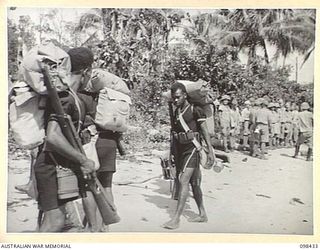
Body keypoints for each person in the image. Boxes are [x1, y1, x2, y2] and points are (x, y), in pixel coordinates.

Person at [33, 47, 96, 232]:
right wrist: (83, 159)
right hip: (50, 166)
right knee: (55, 223)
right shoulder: (65, 97)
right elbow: (52, 137)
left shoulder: (73, 97)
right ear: (86, 71)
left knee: (58, 223)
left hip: (59, 166)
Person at [162, 82, 215, 230]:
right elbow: (173, 133)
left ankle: (176, 219)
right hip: (180, 149)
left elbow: (204, 131)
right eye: (174, 98)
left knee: (183, 179)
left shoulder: (195, 110)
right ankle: (203, 214)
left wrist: (210, 151)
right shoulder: (176, 111)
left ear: (185, 95)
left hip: (193, 148)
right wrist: (172, 154)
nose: (176, 100)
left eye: (178, 97)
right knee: (194, 183)